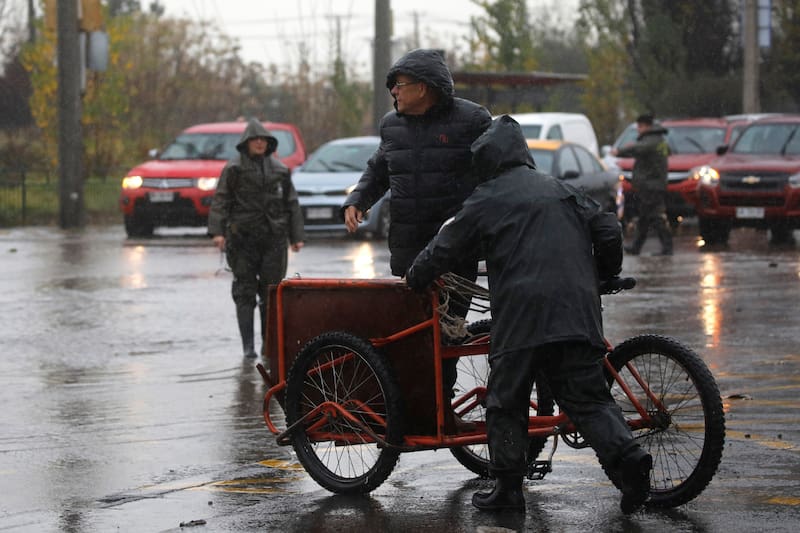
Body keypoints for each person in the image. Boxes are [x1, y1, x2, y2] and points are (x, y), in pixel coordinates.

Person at [405, 115, 653, 515]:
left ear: (485, 161)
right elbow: (608, 228)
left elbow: (444, 248)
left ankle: (507, 490)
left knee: (506, 399)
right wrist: (602, 275)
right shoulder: (562, 191)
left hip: (521, 318)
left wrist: (416, 277)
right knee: (588, 400)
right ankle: (629, 459)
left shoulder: (486, 198)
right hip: (577, 312)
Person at [341, 48, 492, 429]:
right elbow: (379, 168)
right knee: (409, 336)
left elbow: (498, 172)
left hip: (456, 250)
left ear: (424, 88)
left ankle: (442, 413)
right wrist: (358, 199)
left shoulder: (472, 120)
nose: (393, 92)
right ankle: (412, 412)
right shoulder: (392, 125)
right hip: (407, 248)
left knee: (449, 335)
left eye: (399, 85)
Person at [208, 118, 305, 358]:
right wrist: (218, 232)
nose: (260, 143)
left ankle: (267, 345)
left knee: (272, 293)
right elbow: (221, 200)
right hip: (242, 239)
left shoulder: (280, 170)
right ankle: (248, 348)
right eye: (255, 139)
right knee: (244, 292)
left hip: (273, 239)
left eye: (264, 139)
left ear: (269, 143)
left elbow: (291, 203)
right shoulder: (234, 169)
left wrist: (296, 236)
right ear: (246, 143)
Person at [612, 113, 673, 255]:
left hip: (651, 185)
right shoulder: (659, 140)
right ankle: (637, 247)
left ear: (646, 126)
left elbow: (638, 148)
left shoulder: (652, 141)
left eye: (639, 126)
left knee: (655, 217)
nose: (638, 130)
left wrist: (618, 151)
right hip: (653, 184)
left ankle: (666, 247)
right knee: (646, 217)